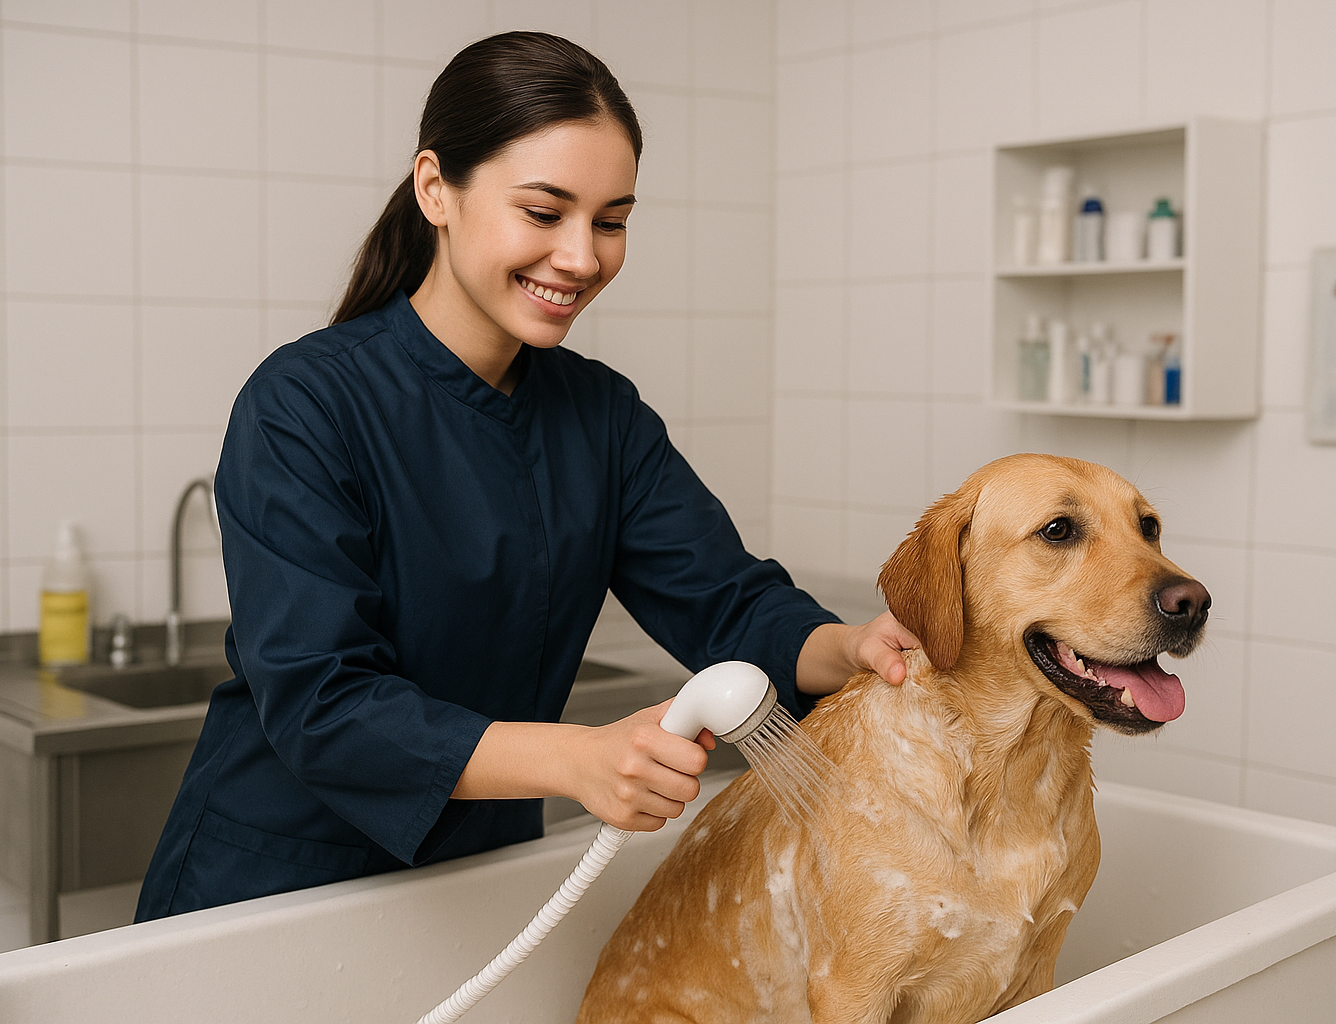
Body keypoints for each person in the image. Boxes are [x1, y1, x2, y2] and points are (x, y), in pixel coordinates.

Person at [135, 31, 916, 921]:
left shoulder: (602, 416)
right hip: (273, 885)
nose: (582, 257)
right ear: (437, 189)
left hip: (473, 881)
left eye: (612, 220)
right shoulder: (305, 402)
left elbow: (730, 605)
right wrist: (576, 760)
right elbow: (324, 701)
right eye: (545, 213)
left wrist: (850, 648)